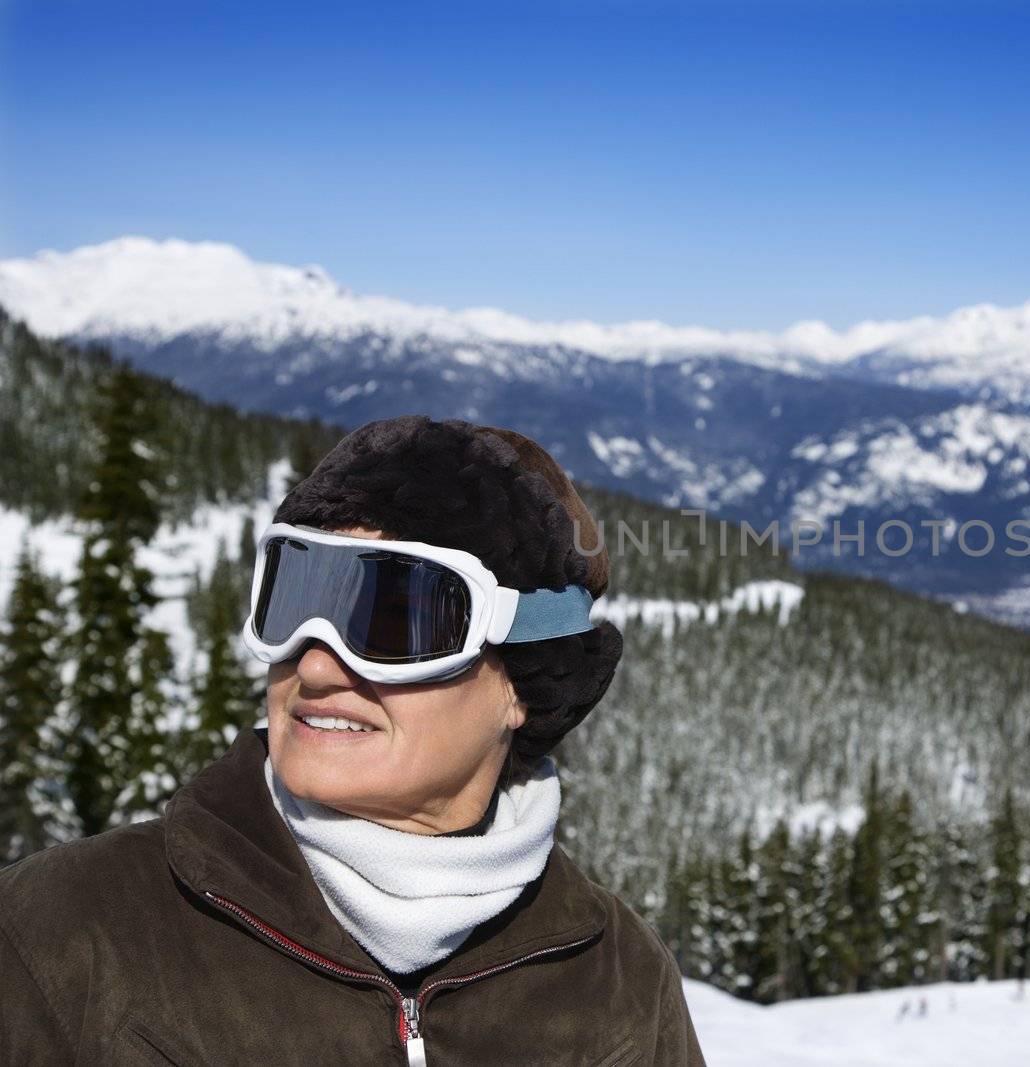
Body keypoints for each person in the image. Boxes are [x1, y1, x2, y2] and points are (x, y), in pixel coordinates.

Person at [0, 415, 705, 1066]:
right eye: (297, 596)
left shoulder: (620, 983)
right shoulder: (62, 932)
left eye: (394, 622)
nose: (314, 663)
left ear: (524, 684)